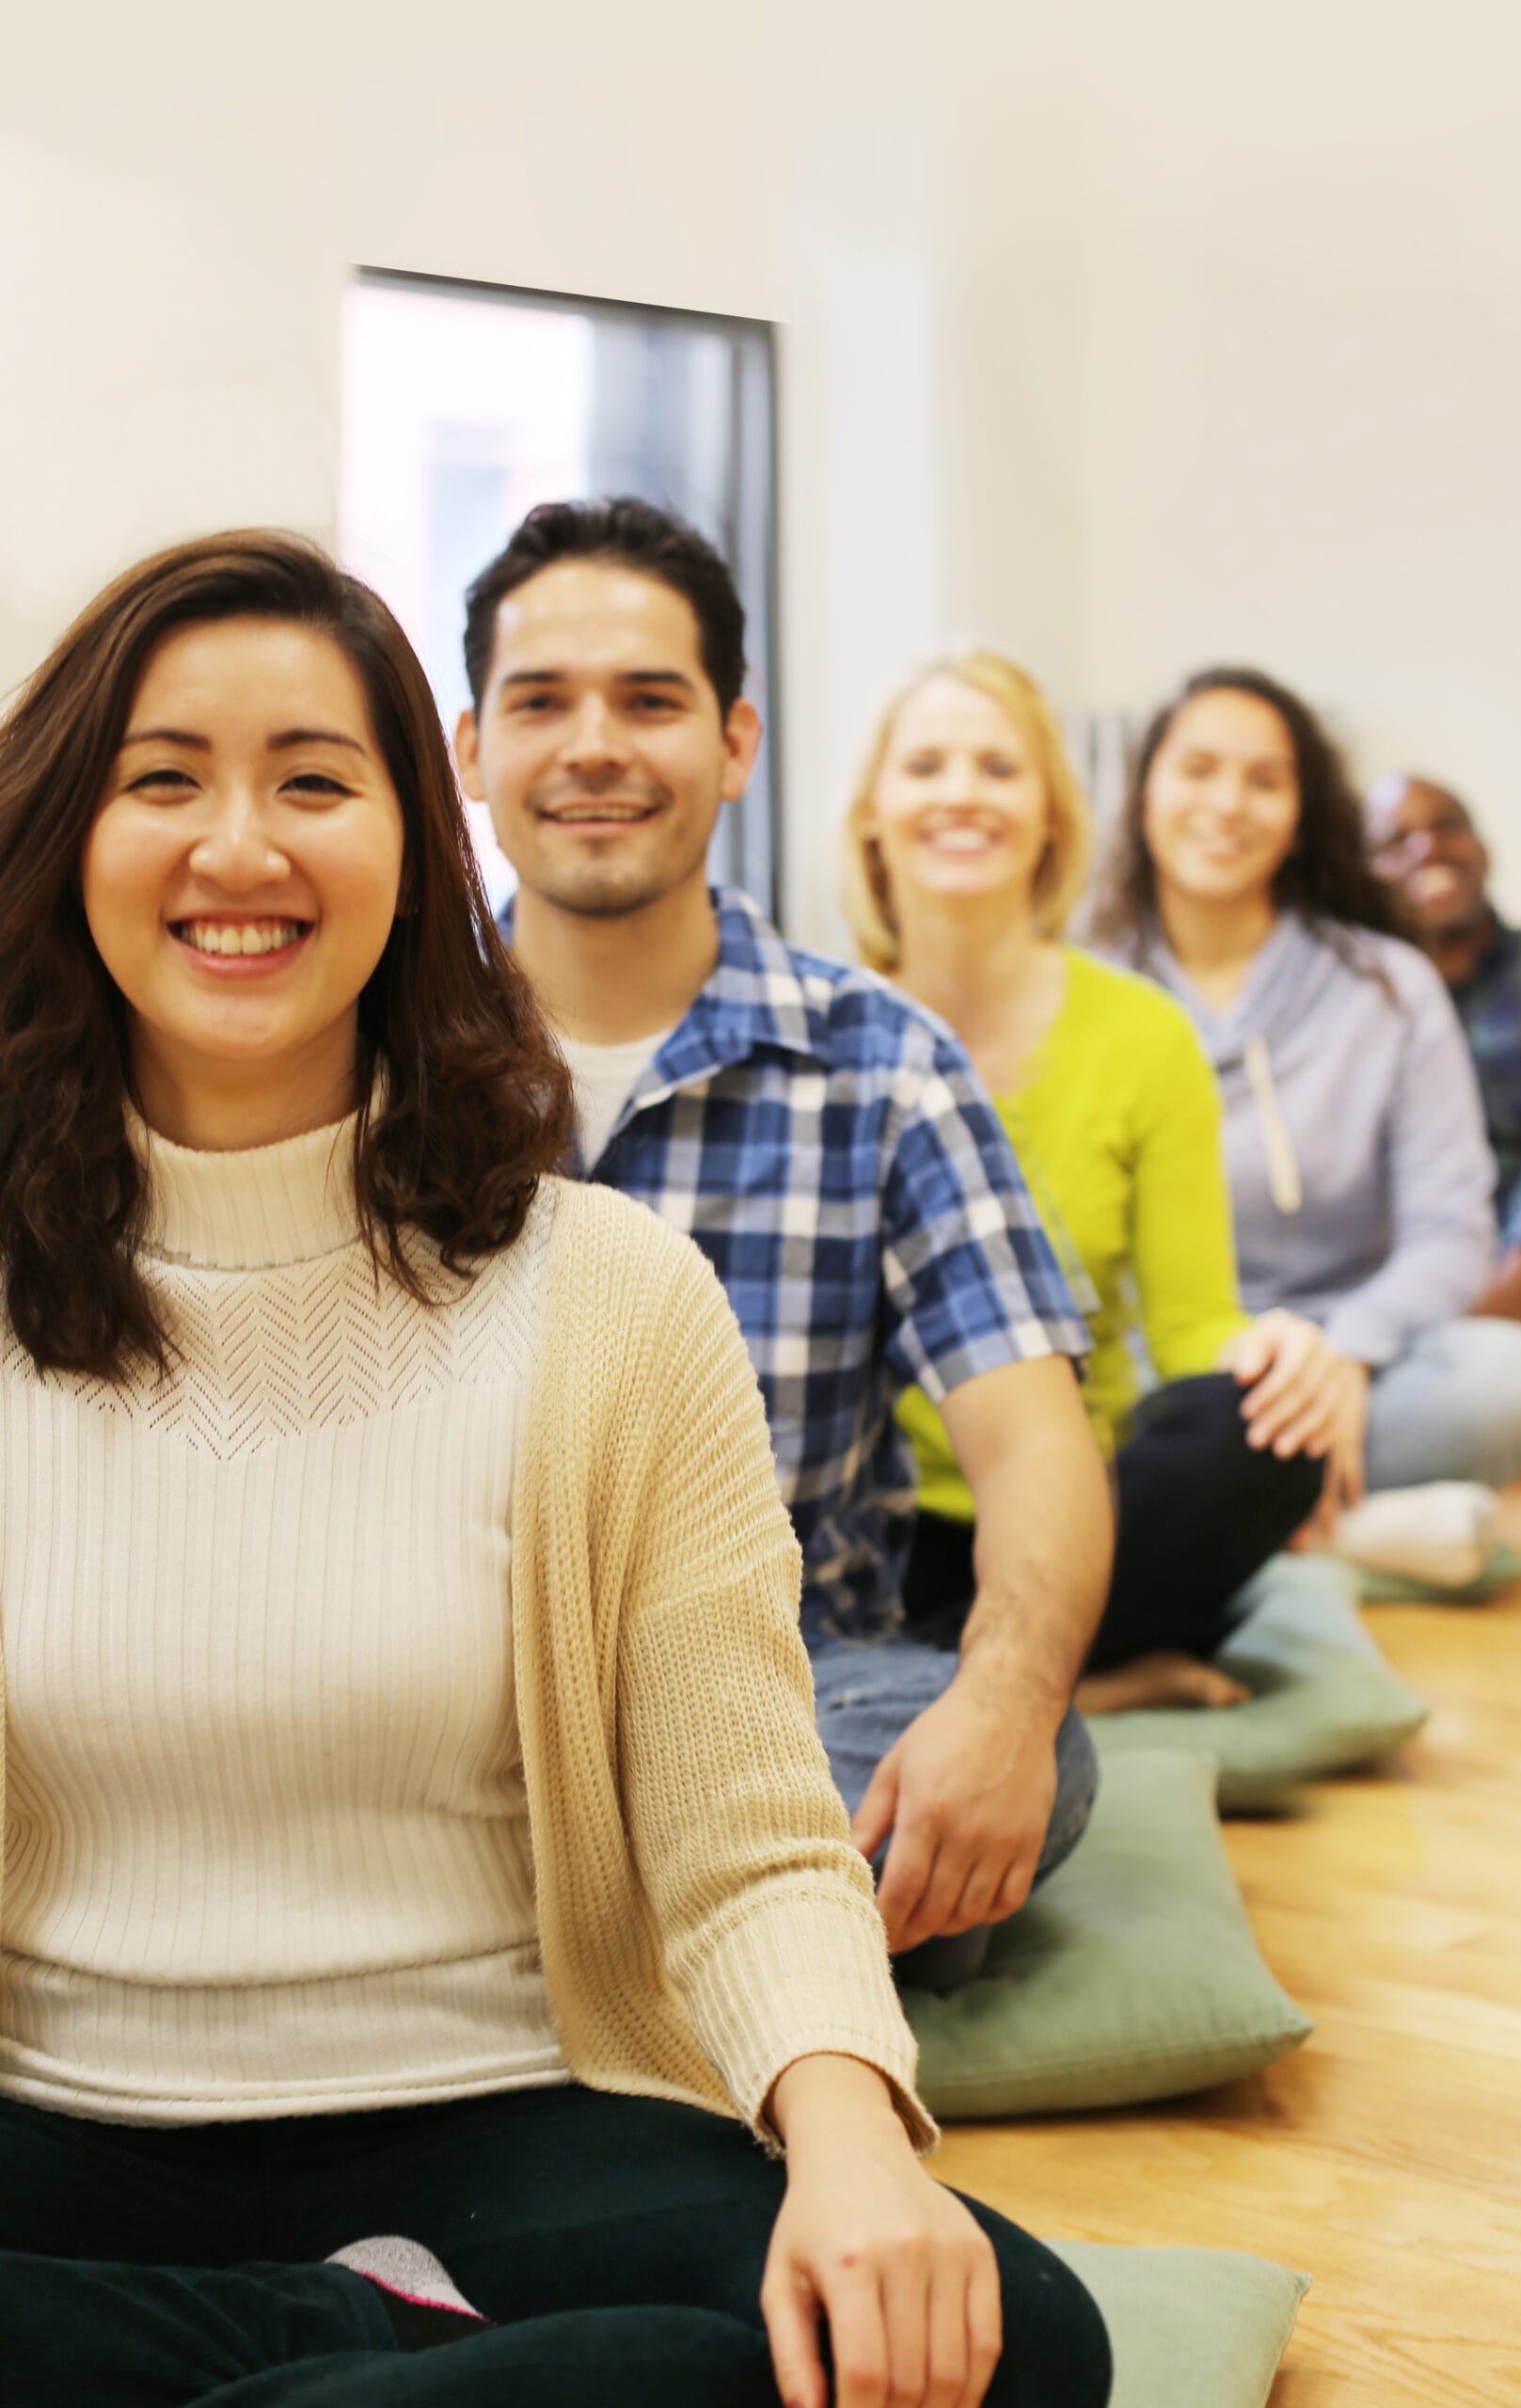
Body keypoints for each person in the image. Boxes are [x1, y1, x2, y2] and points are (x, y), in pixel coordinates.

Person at [0, 531, 1113, 2408]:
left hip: (489, 2095)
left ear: (418, 841)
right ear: (64, 837)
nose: (243, 846)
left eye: (315, 782)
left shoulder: (602, 1288)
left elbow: (749, 1821)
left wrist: (850, 2140)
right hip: (59, 2108)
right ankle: (349, 2349)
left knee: (998, 2345)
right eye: (165, 777)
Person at [456, 499, 1111, 1993]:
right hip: (434, 1708)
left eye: (649, 702)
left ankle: (521, 1956)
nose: (594, 746)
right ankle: (717, 1947)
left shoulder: (885, 1062)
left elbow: (1029, 1445)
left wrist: (1001, 1709)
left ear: (734, 744)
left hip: (791, 1692)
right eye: (540, 703)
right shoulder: (370, 1053)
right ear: (467, 752)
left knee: (1017, 1760)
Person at [841, 652, 1341, 1709]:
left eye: (998, 767)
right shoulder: (824, 1028)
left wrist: (1285, 1353)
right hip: (873, 1527)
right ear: (874, 814)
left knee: (1271, 1427)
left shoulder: (1145, 1035)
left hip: (1081, 1516)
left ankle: (981, 1674)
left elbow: (1197, 1320)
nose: (963, 793)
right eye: (926, 765)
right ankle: (1063, 1684)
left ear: (1052, 818)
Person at [1088, 667, 1521, 1529]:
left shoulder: (1389, 986)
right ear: (1143, 790)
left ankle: (1253, 1538)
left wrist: (1342, 1355)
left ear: (1303, 812)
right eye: (1197, 769)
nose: (1228, 803)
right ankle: (1347, 1539)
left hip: (1359, 1365)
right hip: (1163, 1374)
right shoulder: (1087, 989)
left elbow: (1452, 1233)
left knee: (1515, 1380)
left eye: (1264, 780)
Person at [1365, 773, 1521, 1467]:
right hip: (1410, 1270)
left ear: (1480, 845)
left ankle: (1498, 1403)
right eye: (1393, 842)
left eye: (1445, 825)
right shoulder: (1357, 995)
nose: (1426, 848)